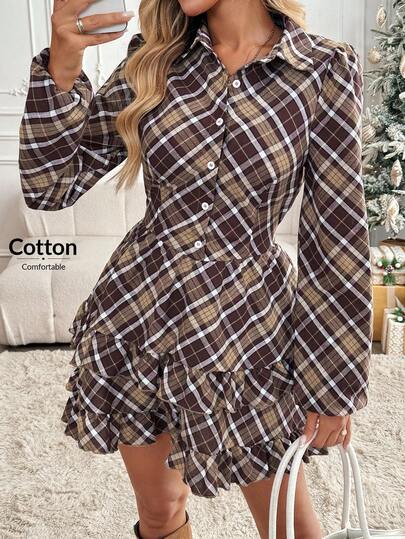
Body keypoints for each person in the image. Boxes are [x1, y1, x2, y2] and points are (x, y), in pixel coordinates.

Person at [18, 0, 373, 537]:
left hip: (247, 328)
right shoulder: (154, 58)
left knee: (293, 528)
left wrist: (334, 384)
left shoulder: (323, 68)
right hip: (139, 314)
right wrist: (65, 61)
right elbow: (49, 186)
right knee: (160, 512)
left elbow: (337, 233)